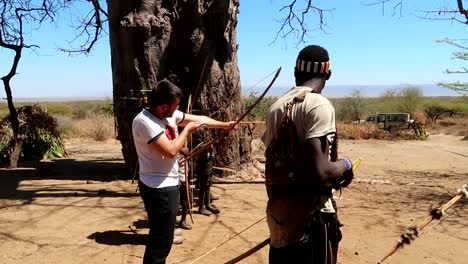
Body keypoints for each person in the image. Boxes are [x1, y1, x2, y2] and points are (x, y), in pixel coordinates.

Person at [262, 45, 354, 264]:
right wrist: (346, 165)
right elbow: (321, 172)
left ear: (296, 72)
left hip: (279, 215)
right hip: (311, 219)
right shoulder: (318, 104)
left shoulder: (276, 106)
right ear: (328, 74)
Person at [132, 79, 235, 264]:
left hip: (168, 184)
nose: (177, 109)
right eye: (175, 105)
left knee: (164, 238)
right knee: (161, 241)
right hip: (157, 188)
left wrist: (224, 125)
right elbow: (171, 151)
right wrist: (186, 130)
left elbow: (200, 120)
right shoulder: (144, 122)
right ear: (163, 107)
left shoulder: (167, 115)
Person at [191, 112, 220, 216]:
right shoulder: (198, 131)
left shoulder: (207, 130)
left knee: (208, 183)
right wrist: (208, 144)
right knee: (203, 185)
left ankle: (207, 204)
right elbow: (198, 147)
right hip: (202, 161)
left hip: (209, 159)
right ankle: (201, 207)